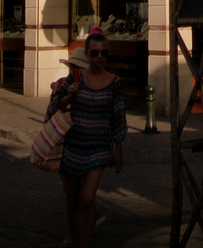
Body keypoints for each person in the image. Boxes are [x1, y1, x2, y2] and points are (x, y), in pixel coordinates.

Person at [47, 31, 126, 248]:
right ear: (88, 55)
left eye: (103, 53)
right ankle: (76, 241)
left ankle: (84, 243)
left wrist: (118, 150)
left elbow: (118, 117)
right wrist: (69, 94)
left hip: (98, 148)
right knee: (72, 200)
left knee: (87, 198)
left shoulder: (114, 82)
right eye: (95, 53)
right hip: (72, 145)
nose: (99, 57)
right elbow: (56, 104)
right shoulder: (76, 78)